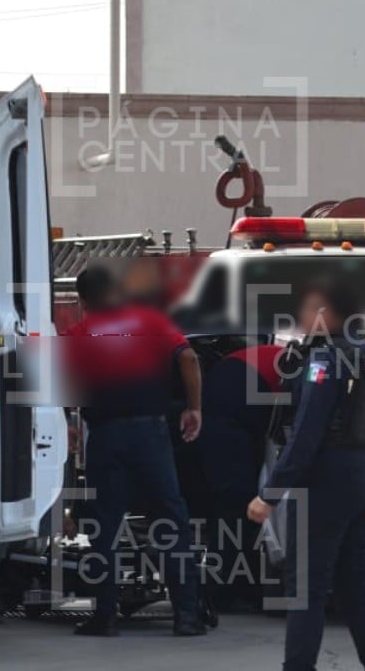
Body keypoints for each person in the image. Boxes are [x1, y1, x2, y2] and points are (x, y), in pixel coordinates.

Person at [247, 286, 365, 671]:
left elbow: (307, 433)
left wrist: (270, 494)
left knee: (305, 590)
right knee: (354, 589)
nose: (303, 313)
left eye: (311, 307)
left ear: (331, 313)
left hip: (329, 477)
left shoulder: (326, 360)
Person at [63, 267, 207, 637]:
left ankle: (105, 616)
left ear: (83, 300)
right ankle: (187, 615)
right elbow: (188, 358)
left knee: (104, 527)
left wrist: (71, 426)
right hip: (150, 435)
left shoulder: (80, 333)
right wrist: (194, 408)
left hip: (106, 436)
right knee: (171, 523)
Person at [185, 342, 283, 610]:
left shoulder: (278, 359)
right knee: (237, 507)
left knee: (237, 508)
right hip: (227, 424)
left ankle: (239, 588)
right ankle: (221, 593)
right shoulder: (298, 370)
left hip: (222, 418)